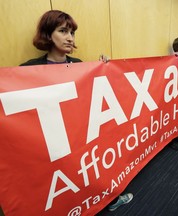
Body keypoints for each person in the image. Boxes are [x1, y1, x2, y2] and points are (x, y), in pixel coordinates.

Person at [20, 9, 133, 211]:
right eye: (63, 31)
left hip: (80, 135)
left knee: (90, 170)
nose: (70, 38)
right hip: (53, 142)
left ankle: (108, 199)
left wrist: (104, 68)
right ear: (48, 34)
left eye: (72, 33)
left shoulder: (80, 65)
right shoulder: (28, 70)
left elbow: (93, 98)